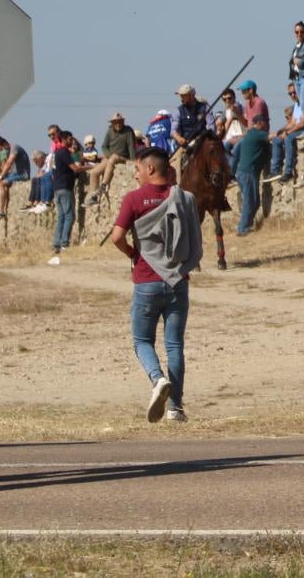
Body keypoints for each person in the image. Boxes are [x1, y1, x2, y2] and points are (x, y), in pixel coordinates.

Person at [109, 146, 200, 423]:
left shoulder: (134, 199)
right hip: (177, 281)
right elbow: (192, 237)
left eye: (137, 169)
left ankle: (157, 379)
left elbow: (116, 237)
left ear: (149, 169)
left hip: (147, 281)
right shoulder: (184, 198)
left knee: (141, 341)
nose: (136, 175)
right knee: (174, 345)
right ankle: (175, 408)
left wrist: (133, 254)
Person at [48, 130, 85, 264]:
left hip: (57, 188)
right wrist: (89, 168)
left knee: (62, 216)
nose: (72, 140)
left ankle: (57, 244)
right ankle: (64, 243)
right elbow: (75, 168)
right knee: (69, 216)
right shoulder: (63, 152)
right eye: (70, 138)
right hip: (64, 187)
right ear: (64, 139)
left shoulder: (58, 153)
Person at [87, 112, 136, 203]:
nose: (118, 124)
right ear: (112, 123)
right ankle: (94, 196)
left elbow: (131, 146)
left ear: (123, 122)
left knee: (113, 158)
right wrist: (108, 155)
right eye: (115, 122)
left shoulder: (128, 131)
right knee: (94, 172)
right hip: (111, 158)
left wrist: (133, 162)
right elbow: (104, 146)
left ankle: (104, 185)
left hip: (123, 158)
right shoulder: (110, 131)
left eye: (119, 122)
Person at [233, 115, 269, 236]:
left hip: (245, 172)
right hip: (249, 173)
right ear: (259, 123)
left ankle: (246, 225)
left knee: (255, 201)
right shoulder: (256, 133)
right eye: (265, 122)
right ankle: (243, 228)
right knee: (249, 201)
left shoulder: (249, 134)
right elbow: (272, 136)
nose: (266, 124)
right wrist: (283, 133)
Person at [265, 83, 304, 183]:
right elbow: (292, 122)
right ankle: (275, 170)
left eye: (294, 92)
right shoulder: (297, 105)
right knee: (277, 140)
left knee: (288, 138)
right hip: (297, 129)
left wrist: (287, 133)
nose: (292, 95)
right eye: (290, 93)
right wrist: (282, 130)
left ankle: (288, 171)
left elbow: (302, 124)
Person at [171, 84, 210, 160]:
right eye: (181, 95)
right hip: (186, 145)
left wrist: (204, 137)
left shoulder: (205, 108)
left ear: (192, 95)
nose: (181, 98)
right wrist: (179, 138)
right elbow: (173, 131)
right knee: (174, 163)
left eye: (184, 95)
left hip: (203, 142)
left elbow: (211, 126)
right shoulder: (178, 111)